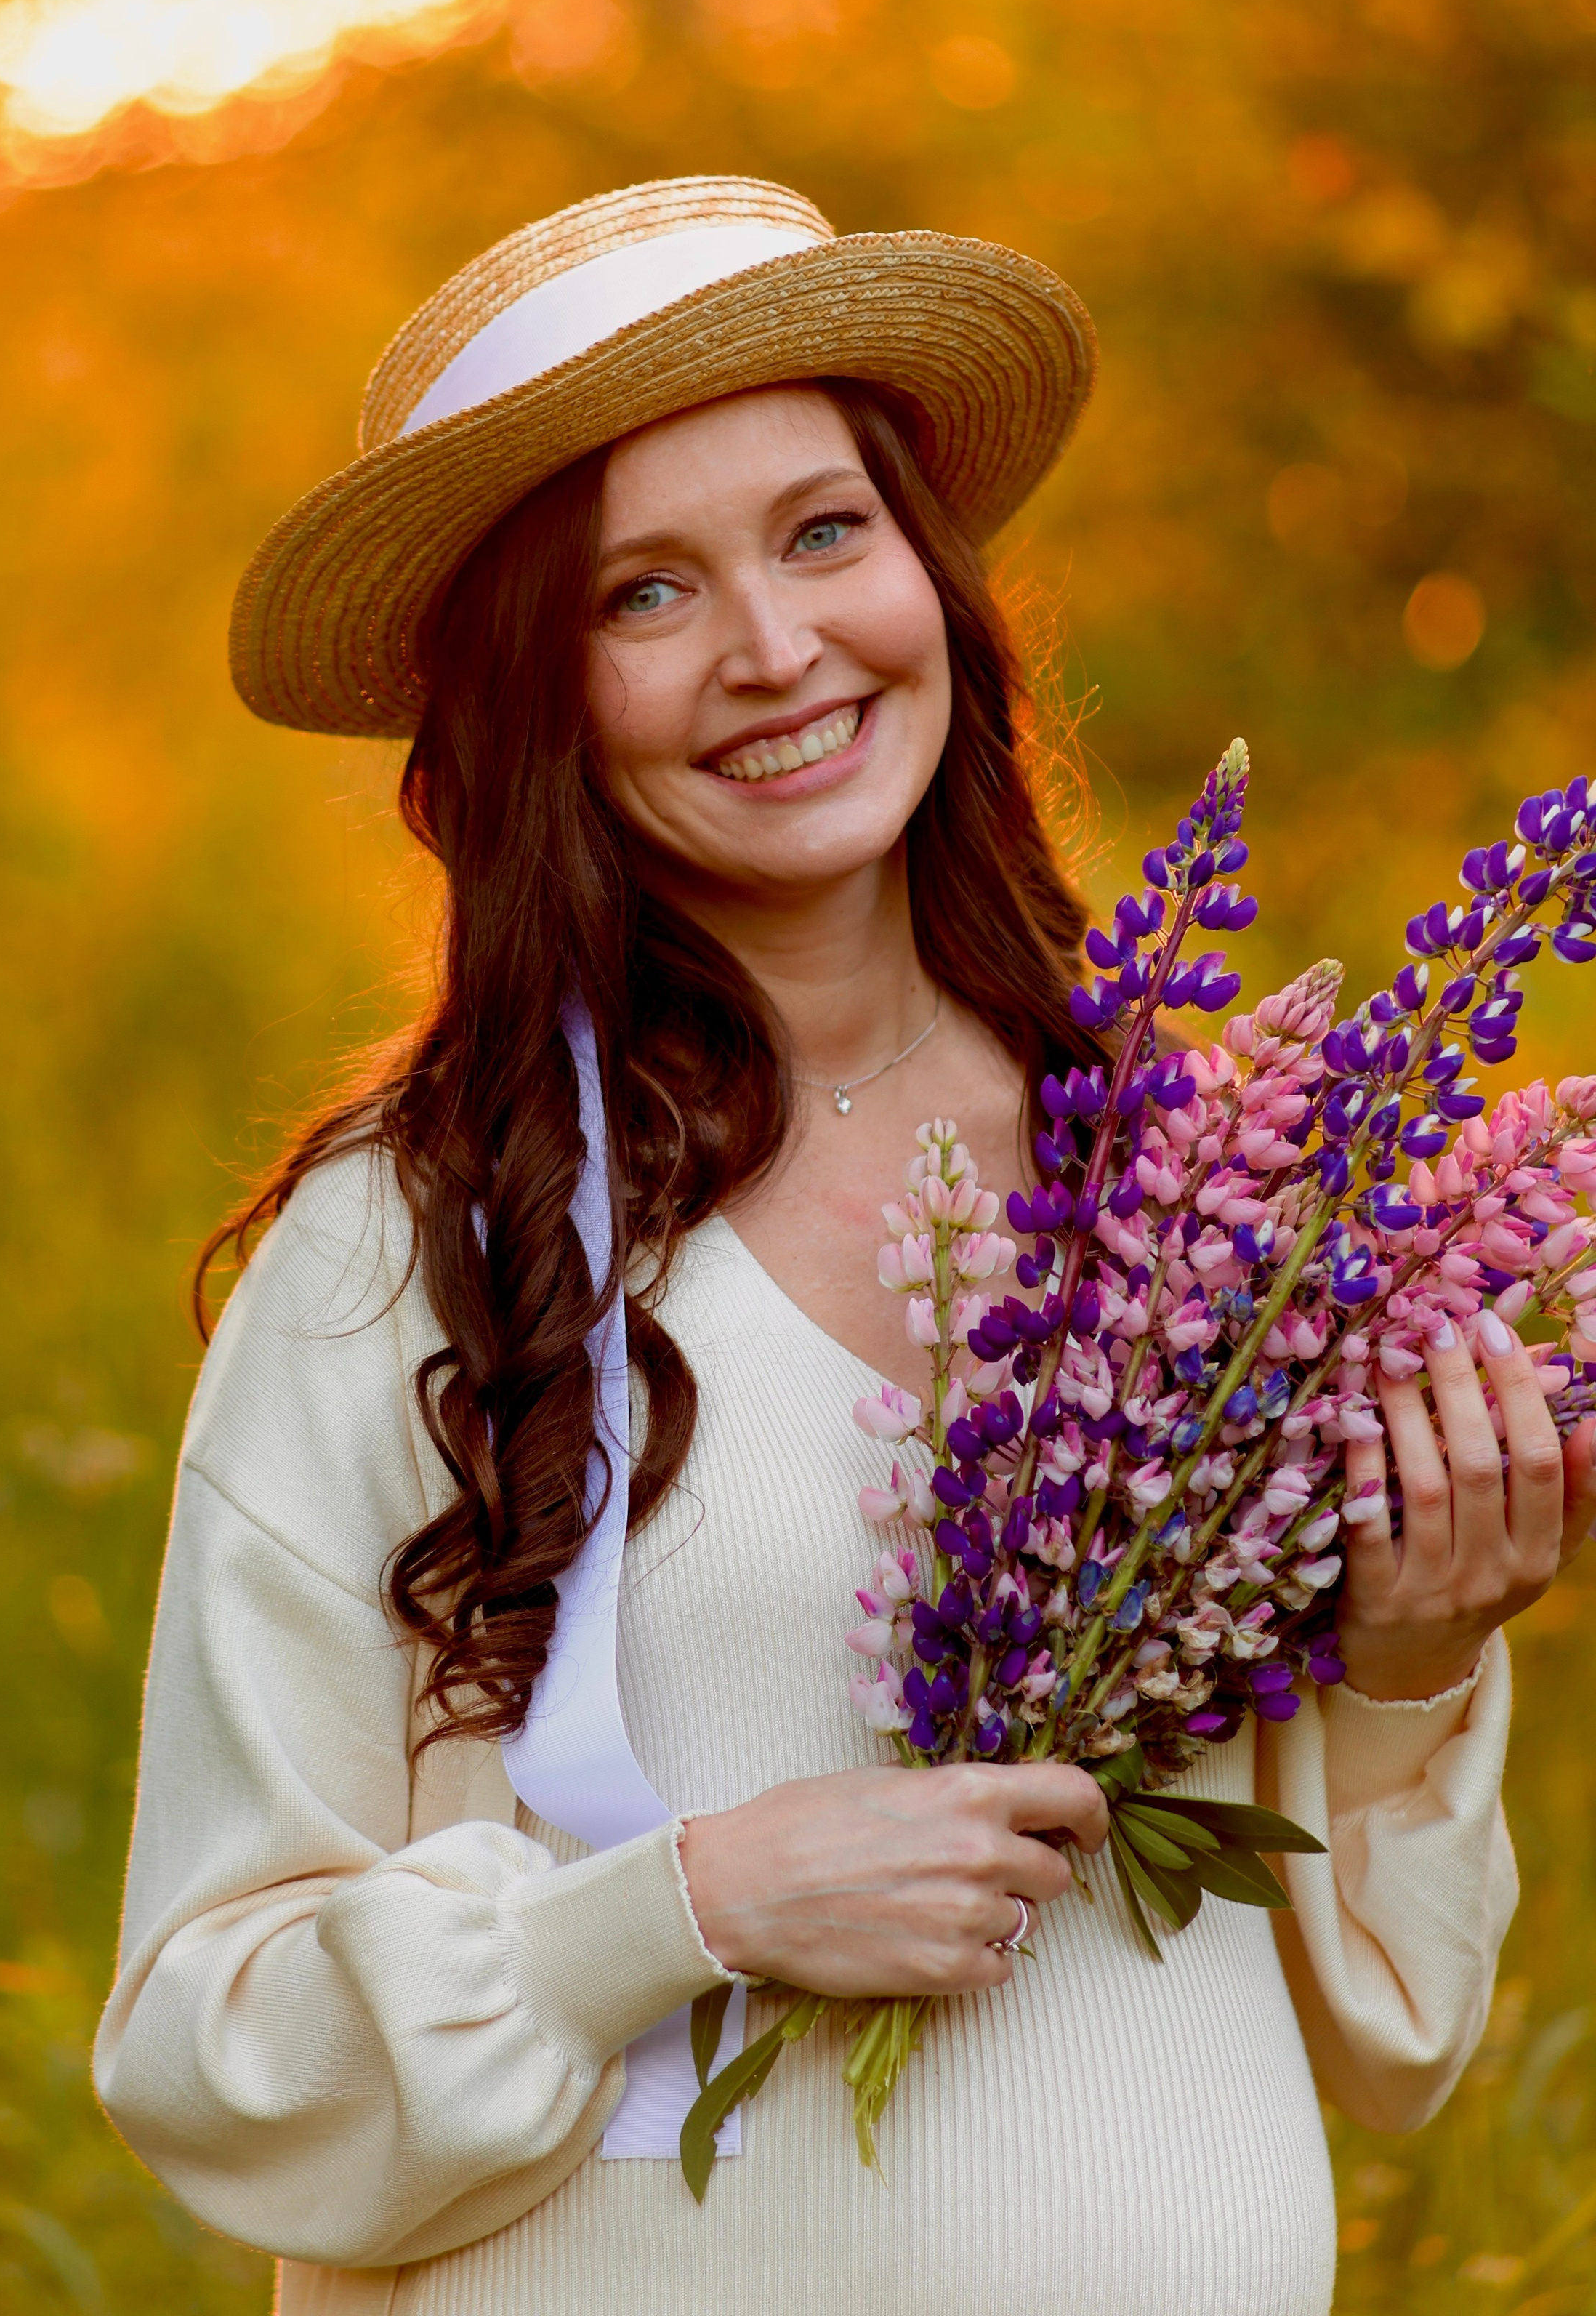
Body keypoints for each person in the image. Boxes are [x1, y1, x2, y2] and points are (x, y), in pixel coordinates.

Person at [95, 176, 1595, 2316]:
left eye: (824, 533)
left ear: (934, 579)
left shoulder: (1204, 1189)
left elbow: (1394, 2042)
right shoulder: (408, 1249)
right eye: (644, 592)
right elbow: (211, 2050)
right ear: (530, 701)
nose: (776, 649)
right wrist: (681, 1907)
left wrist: (1414, 1655)